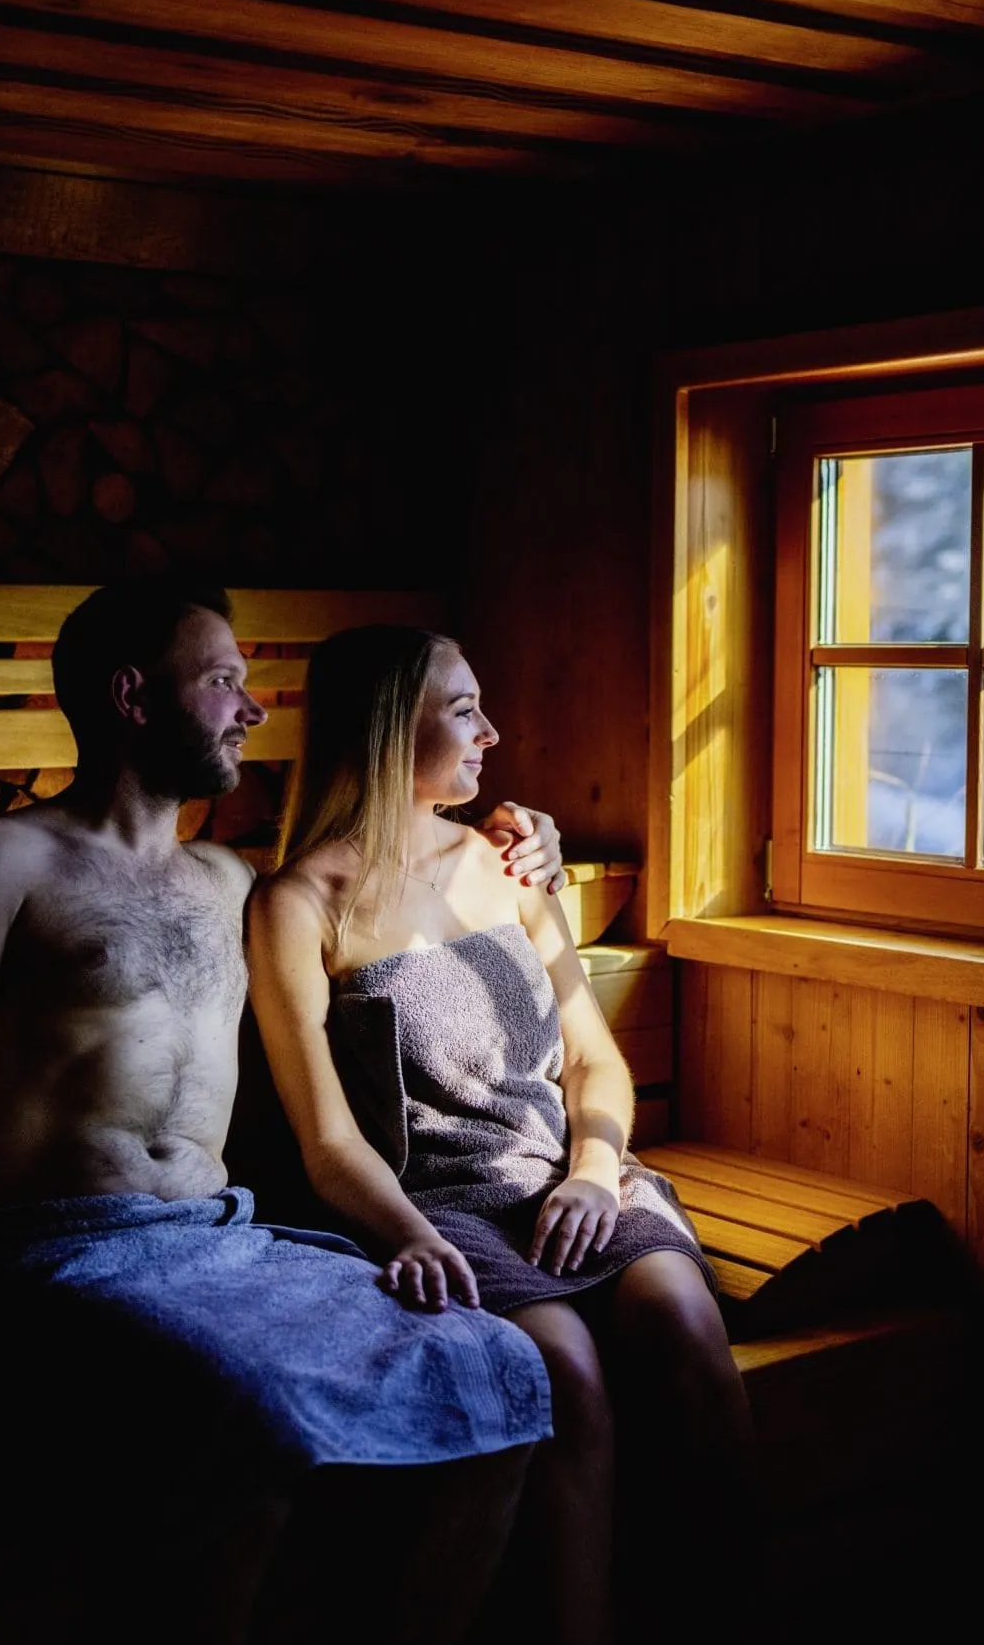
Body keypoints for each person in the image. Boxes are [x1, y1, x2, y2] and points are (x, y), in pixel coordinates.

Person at [0, 576, 572, 1645]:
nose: (252, 709)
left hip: (223, 1239)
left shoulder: (232, 880)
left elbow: (379, 877)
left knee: (504, 1370)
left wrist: (531, 847)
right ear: (132, 696)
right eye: (222, 682)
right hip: (58, 1256)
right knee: (249, 1423)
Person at [247, 626, 755, 1645]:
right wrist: (410, 1236)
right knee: (560, 1366)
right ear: (394, 727)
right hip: (440, 1205)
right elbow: (328, 1141)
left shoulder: (510, 858)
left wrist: (597, 1173)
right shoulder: (300, 904)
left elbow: (596, 1061)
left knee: (685, 1327)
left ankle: (732, 1611)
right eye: (465, 708)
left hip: (575, 1175)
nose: (493, 730)